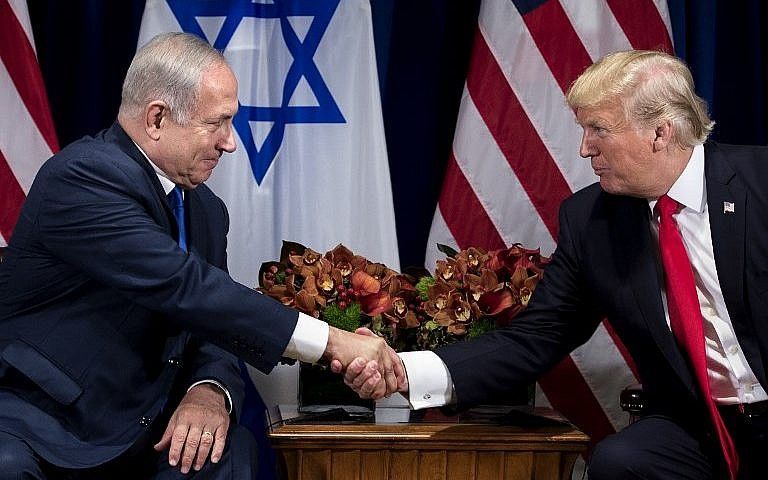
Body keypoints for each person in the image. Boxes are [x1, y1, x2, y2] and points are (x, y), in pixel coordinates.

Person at [340, 50, 768, 479]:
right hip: (697, 427)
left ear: (660, 132)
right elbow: (536, 338)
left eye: (598, 129)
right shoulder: (592, 222)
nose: (584, 149)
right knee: (622, 462)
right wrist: (406, 371)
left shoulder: (758, 183)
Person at [0, 32, 401, 479]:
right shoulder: (82, 178)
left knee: (227, 457)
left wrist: (209, 391)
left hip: (148, 431)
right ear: (157, 119)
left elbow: (215, 326)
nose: (230, 143)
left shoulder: (205, 210)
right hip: (41, 427)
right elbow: (186, 287)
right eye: (217, 123)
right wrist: (332, 342)